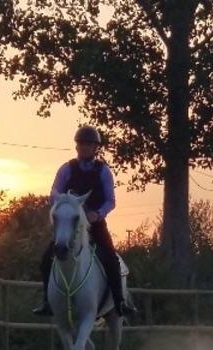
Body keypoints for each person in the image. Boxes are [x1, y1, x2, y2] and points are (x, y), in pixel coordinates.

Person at [33, 125, 137, 317]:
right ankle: (47, 302)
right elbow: (54, 193)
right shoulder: (66, 168)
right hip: (70, 224)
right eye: (81, 144)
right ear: (77, 146)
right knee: (46, 259)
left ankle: (120, 302)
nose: (85, 148)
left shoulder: (103, 171)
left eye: (89, 144)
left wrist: (97, 214)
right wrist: (65, 203)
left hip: (95, 224)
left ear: (95, 148)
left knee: (111, 258)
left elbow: (110, 200)